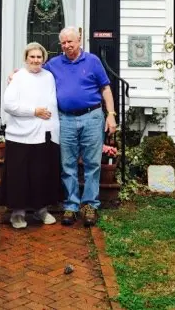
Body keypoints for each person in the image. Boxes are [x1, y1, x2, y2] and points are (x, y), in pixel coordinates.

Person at [45, 27, 116, 227]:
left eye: (70, 42)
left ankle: (90, 205)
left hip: (92, 117)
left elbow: (105, 89)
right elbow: (36, 72)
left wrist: (111, 115)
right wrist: (17, 74)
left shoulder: (93, 61)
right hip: (65, 119)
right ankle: (71, 205)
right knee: (68, 164)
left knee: (92, 164)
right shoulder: (54, 64)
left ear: (79, 40)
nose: (67, 46)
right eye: (64, 43)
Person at [0, 42, 61, 229]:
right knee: (19, 176)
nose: (35, 60)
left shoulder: (48, 76)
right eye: (32, 56)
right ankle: (17, 214)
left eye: (39, 57)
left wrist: (50, 126)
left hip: (43, 134)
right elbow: (9, 105)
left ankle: (41, 210)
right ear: (26, 58)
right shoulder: (18, 77)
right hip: (20, 135)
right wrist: (33, 111)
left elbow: (51, 102)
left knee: (40, 174)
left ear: (44, 59)